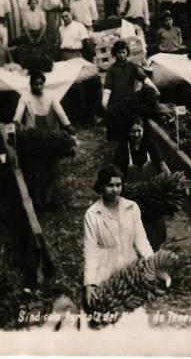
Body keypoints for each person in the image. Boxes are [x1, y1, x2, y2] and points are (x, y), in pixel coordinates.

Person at [84, 164, 154, 306]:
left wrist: (154, 265)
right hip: (106, 271)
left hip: (131, 271)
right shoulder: (92, 214)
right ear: (101, 186)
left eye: (119, 185)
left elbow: (141, 241)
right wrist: (90, 284)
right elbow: (90, 250)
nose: (115, 190)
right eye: (110, 185)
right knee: (109, 314)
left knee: (133, 314)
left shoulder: (132, 207)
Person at [13, 70, 76, 212]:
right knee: (37, 172)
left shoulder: (50, 96)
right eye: (36, 84)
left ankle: (49, 200)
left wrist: (68, 126)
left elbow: (60, 112)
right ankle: (38, 202)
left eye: (41, 84)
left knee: (52, 170)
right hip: (35, 141)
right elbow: (17, 117)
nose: (39, 87)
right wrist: (19, 127)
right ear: (31, 85)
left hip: (51, 139)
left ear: (44, 84)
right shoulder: (25, 98)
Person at [113, 116, 171, 249]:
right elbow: (117, 172)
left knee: (155, 228)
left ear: (143, 130)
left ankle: (154, 254)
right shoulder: (122, 149)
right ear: (127, 132)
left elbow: (161, 164)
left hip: (152, 194)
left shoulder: (150, 144)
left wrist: (171, 178)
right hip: (132, 195)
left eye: (139, 130)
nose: (136, 134)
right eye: (132, 131)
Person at [102, 40, 160, 140]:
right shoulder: (111, 70)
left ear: (127, 52)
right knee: (118, 119)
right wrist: (105, 102)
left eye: (123, 52)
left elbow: (144, 78)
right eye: (119, 53)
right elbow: (107, 88)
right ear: (115, 54)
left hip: (131, 99)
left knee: (149, 93)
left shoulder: (132, 66)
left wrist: (155, 89)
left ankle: (152, 126)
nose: (121, 55)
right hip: (118, 102)